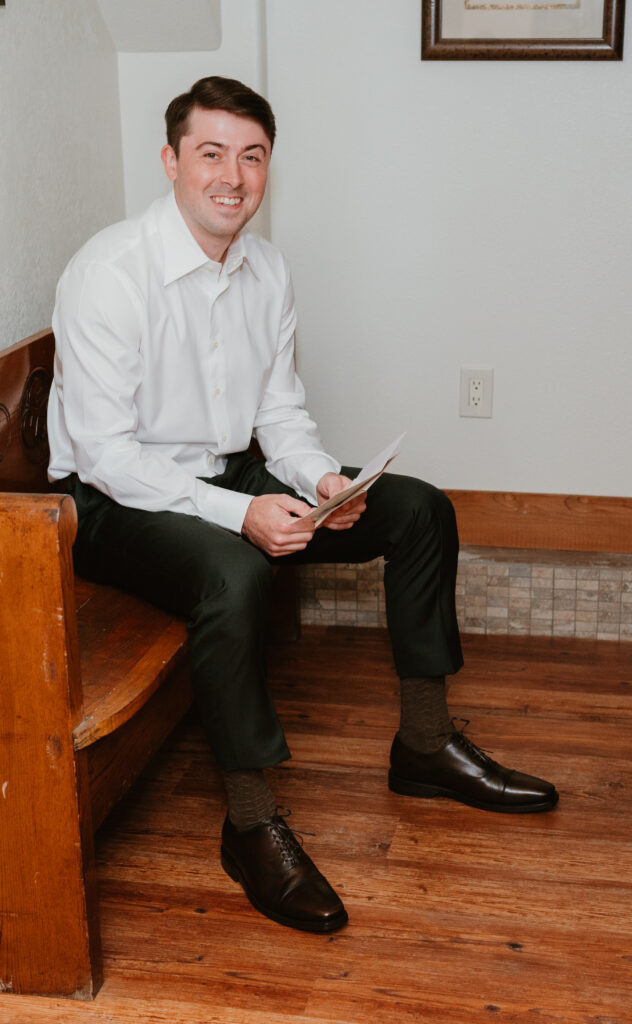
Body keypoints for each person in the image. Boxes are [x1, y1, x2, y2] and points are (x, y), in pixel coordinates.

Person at [47, 76, 558, 935]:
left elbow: (278, 415)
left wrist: (320, 479)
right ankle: (249, 826)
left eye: (252, 157)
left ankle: (424, 745)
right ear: (170, 162)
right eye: (211, 153)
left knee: (419, 509)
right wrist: (240, 515)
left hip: (226, 472)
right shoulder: (108, 273)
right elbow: (106, 457)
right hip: (108, 504)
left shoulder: (267, 268)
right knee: (234, 571)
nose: (233, 176)